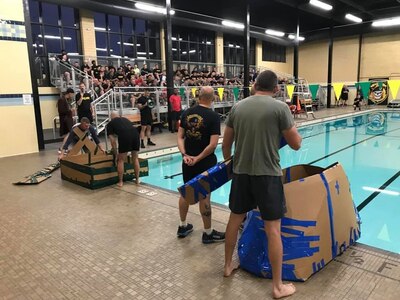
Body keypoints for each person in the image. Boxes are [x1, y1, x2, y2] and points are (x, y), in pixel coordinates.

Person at [222, 70, 302, 299]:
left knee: (234, 219)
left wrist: (230, 163)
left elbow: (226, 144)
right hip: (267, 176)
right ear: (276, 89)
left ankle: (228, 266)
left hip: (241, 174)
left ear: (255, 85)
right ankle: (277, 287)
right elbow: (295, 144)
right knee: (273, 229)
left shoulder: (238, 107)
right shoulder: (280, 108)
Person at [176, 86, 225, 244]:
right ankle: (208, 233)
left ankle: (183, 226)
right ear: (212, 99)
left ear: (198, 96)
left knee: (185, 192)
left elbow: (180, 137)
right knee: (205, 196)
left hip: (187, 162)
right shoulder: (213, 116)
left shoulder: (186, 113)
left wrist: (185, 155)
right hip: (205, 162)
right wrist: (197, 158)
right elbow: (212, 145)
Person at [107, 111, 140, 187]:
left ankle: (120, 182)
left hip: (125, 136)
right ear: (119, 115)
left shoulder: (110, 124)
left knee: (121, 160)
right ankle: (137, 180)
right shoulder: (125, 119)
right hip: (135, 134)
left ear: (111, 118)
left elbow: (113, 141)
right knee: (135, 158)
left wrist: (116, 154)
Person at [57, 88, 76, 152]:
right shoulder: (62, 100)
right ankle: (62, 148)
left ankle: (64, 148)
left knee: (67, 134)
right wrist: (70, 110)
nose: (73, 96)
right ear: (70, 93)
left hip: (67, 119)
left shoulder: (66, 100)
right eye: (72, 94)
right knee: (69, 133)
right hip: (65, 119)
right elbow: (61, 111)